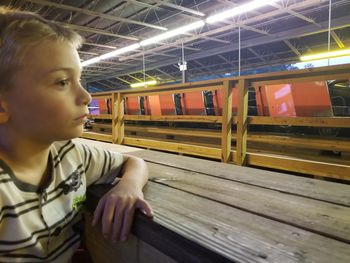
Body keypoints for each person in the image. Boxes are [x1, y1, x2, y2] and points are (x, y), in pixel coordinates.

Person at [0, 6, 153, 262]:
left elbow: (133, 162)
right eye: (62, 82)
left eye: (80, 79)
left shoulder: (72, 154)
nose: (86, 97)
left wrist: (128, 186)